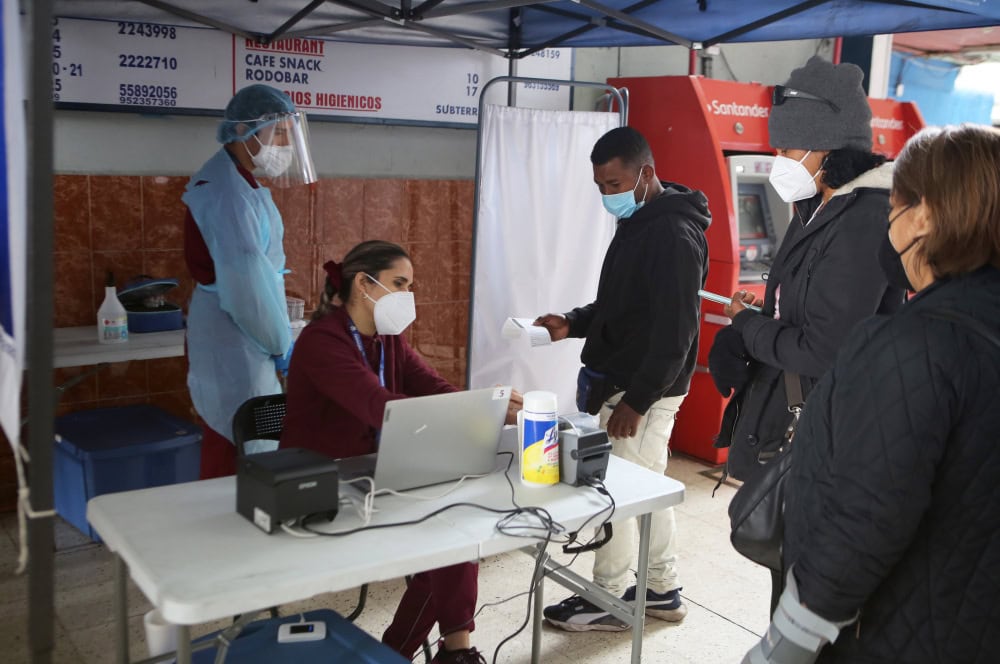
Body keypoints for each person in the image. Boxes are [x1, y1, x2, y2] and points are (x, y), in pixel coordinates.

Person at [744, 124, 1000, 663]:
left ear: (923, 216)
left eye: (894, 207)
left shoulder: (911, 344)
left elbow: (866, 516)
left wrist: (785, 642)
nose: (887, 223)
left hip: (901, 631)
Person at [708, 57, 906, 610]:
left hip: (830, 429)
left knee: (807, 583)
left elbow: (823, 348)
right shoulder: (817, 207)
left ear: (828, 150)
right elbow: (808, 310)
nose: (780, 159)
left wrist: (748, 327)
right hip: (802, 415)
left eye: (789, 148)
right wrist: (766, 313)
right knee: (789, 572)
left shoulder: (863, 217)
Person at [280, 240, 520, 664]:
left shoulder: (388, 339)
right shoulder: (322, 342)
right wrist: (472, 413)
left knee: (458, 532)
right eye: (399, 284)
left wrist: (489, 405)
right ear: (363, 284)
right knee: (447, 542)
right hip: (321, 485)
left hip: (377, 473)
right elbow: (379, 407)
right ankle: (421, 652)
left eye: (410, 286)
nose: (407, 296)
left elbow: (431, 386)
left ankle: (445, 651)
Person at [534, 126, 710, 631]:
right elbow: (620, 306)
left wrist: (637, 400)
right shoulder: (638, 223)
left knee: (617, 492)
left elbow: (677, 333)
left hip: (641, 389)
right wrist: (573, 323)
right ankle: (660, 589)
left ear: (645, 174)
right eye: (600, 186)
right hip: (630, 382)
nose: (606, 195)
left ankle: (605, 597)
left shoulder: (673, 236)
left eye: (613, 184)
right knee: (648, 488)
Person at [183, 84, 316, 479]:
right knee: (241, 438)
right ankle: (234, 513)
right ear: (243, 130)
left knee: (239, 432)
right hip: (237, 333)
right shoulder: (230, 194)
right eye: (279, 133)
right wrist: (280, 343)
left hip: (236, 328)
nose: (285, 146)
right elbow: (248, 288)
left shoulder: (234, 181)